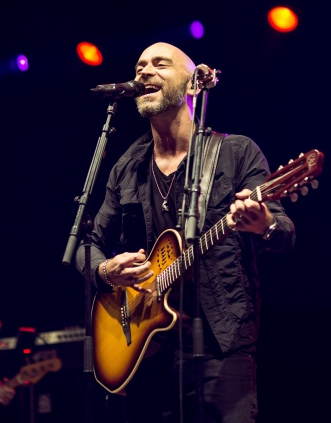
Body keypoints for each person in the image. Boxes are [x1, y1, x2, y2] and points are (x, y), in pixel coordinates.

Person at [76, 42, 295, 422]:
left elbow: (284, 232)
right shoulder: (128, 166)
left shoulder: (236, 153)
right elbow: (88, 246)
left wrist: (263, 223)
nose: (144, 72)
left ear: (194, 85)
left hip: (222, 346)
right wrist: (105, 270)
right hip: (148, 351)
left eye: (160, 64)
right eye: (140, 65)